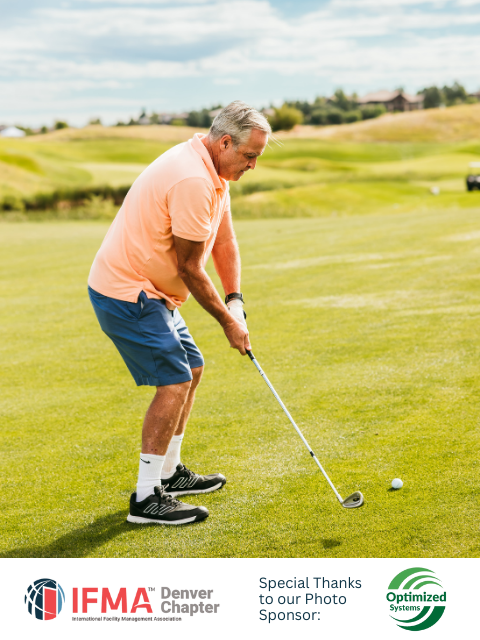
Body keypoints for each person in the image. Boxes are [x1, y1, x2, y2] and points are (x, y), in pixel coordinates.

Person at [88, 101, 271, 525]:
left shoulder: (213, 170)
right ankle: (146, 497)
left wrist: (235, 301)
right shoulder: (192, 179)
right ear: (225, 142)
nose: (253, 166)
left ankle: (169, 474)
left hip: (154, 293)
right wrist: (227, 323)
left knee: (193, 365)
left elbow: (223, 243)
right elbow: (190, 267)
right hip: (126, 291)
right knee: (174, 380)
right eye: (249, 156)